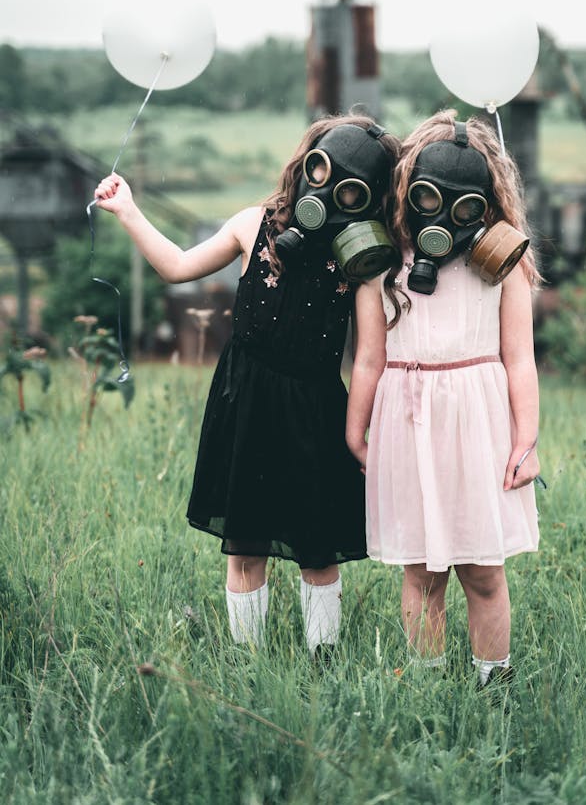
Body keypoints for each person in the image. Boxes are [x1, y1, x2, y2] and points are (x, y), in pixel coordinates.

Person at [94, 115, 399, 659]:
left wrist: (356, 435)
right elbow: (178, 266)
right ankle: (247, 661)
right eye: (322, 171)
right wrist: (128, 210)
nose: (328, 192)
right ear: (306, 163)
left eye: (350, 190)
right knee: (245, 545)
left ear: (368, 202)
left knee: (317, 549)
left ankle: (322, 661)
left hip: (315, 409)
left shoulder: (361, 261)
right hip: (246, 400)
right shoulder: (253, 224)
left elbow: (371, 358)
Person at [346, 110, 541, 685]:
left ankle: (493, 682)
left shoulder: (504, 267)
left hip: (480, 424)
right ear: (409, 189)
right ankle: (428, 687)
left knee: (483, 570)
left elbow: (520, 359)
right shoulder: (381, 265)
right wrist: (356, 432)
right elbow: (368, 359)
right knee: (422, 572)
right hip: (406, 424)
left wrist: (526, 439)